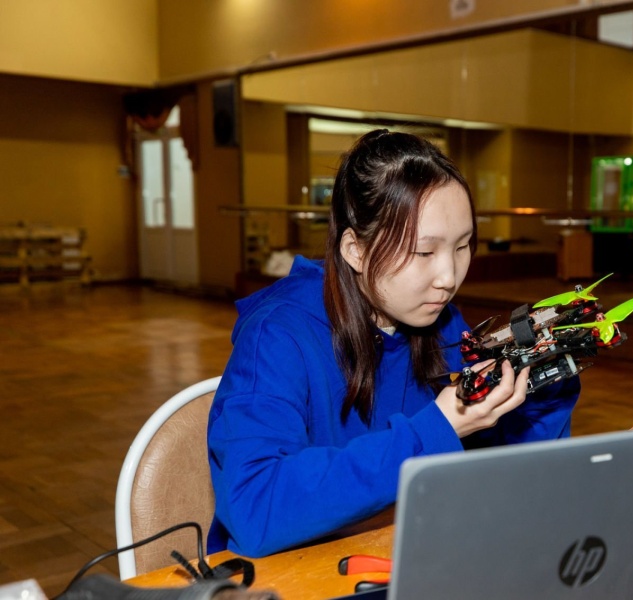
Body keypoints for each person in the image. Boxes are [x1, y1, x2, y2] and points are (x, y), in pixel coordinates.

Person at [206, 129, 580, 558]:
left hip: (412, 554)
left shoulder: (442, 323)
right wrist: (436, 428)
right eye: (424, 253)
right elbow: (255, 506)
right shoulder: (277, 337)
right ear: (355, 250)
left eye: (462, 247)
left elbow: (501, 476)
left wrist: (541, 390)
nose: (449, 277)